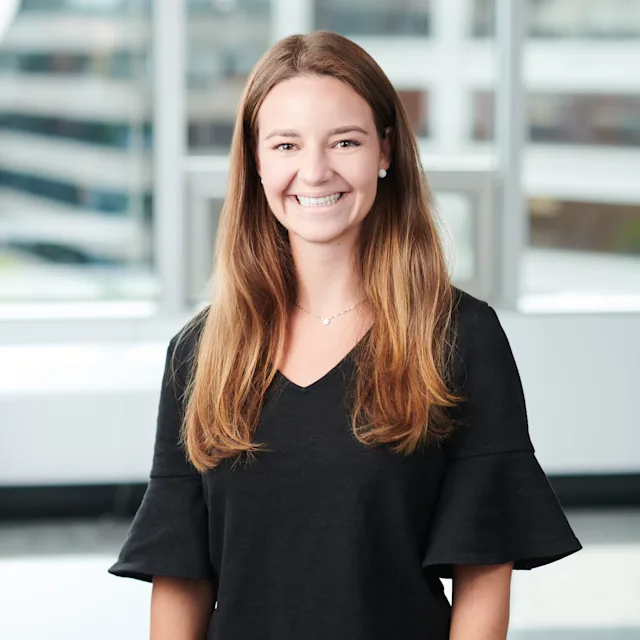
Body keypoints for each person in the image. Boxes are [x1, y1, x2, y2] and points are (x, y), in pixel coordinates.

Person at [109, 31, 582, 639]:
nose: (315, 170)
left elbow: (484, 568)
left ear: (384, 151)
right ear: (256, 162)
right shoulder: (201, 353)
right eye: (286, 144)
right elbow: (181, 575)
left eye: (344, 141)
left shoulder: (459, 337)